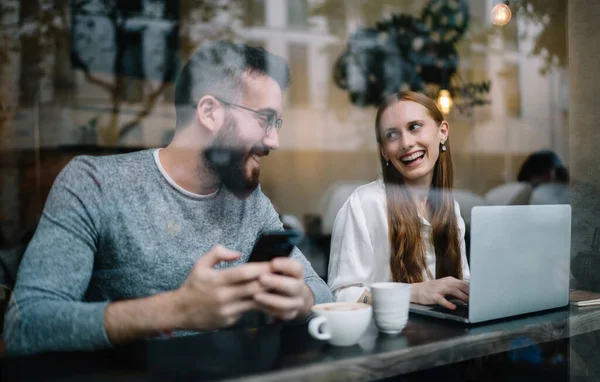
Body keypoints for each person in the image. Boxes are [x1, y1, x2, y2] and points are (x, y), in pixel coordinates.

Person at [4, 42, 333, 355]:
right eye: (264, 119)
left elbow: (321, 292)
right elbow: (26, 326)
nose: (274, 140)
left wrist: (298, 299)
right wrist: (178, 309)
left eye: (276, 122)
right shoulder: (95, 183)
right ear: (209, 112)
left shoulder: (251, 201)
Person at [328, 91, 469, 310]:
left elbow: (461, 285)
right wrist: (413, 293)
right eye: (392, 135)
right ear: (384, 151)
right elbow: (342, 297)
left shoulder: (452, 209)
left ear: (442, 132)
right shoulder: (365, 204)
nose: (406, 143)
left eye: (414, 127)